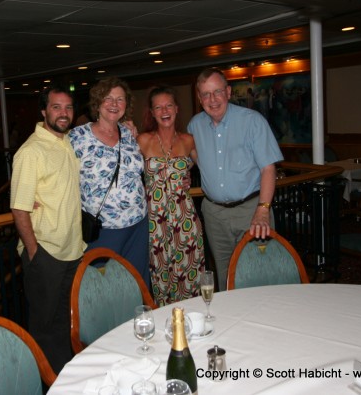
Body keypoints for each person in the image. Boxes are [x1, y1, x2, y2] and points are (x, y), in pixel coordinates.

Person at [10, 84, 85, 374]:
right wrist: (34, 253)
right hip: (46, 254)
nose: (63, 113)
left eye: (68, 107)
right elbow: (19, 208)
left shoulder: (65, 142)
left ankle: (66, 377)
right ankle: (49, 383)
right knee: (44, 328)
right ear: (44, 111)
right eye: (56, 107)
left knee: (65, 323)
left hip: (72, 251)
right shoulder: (31, 152)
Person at [187, 67, 283, 291]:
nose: (213, 99)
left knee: (259, 273)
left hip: (251, 210)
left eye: (217, 92)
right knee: (224, 275)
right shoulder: (194, 126)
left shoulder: (252, 121)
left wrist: (263, 209)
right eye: (206, 94)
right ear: (200, 99)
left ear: (228, 92)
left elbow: (268, 169)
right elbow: (185, 162)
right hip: (214, 214)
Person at [69, 77, 150, 287]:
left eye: (120, 99)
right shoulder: (77, 137)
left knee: (136, 284)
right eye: (108, 98)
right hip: (102, 230)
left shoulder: (130, 133)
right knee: (102, 288)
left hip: (138, 225)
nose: (114, 104)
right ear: (97, 102)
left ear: (126, 105)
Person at [138, 86, 205, 306]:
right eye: (158, 107)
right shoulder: (143, 141)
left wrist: (198, 184)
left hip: (185, 220)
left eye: (168, 105)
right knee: (160, 277)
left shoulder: (188, 140)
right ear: (152, 112)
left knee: (189, 278)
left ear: (176, 109)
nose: (164, 110)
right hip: (155, 223)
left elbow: (212, 170)